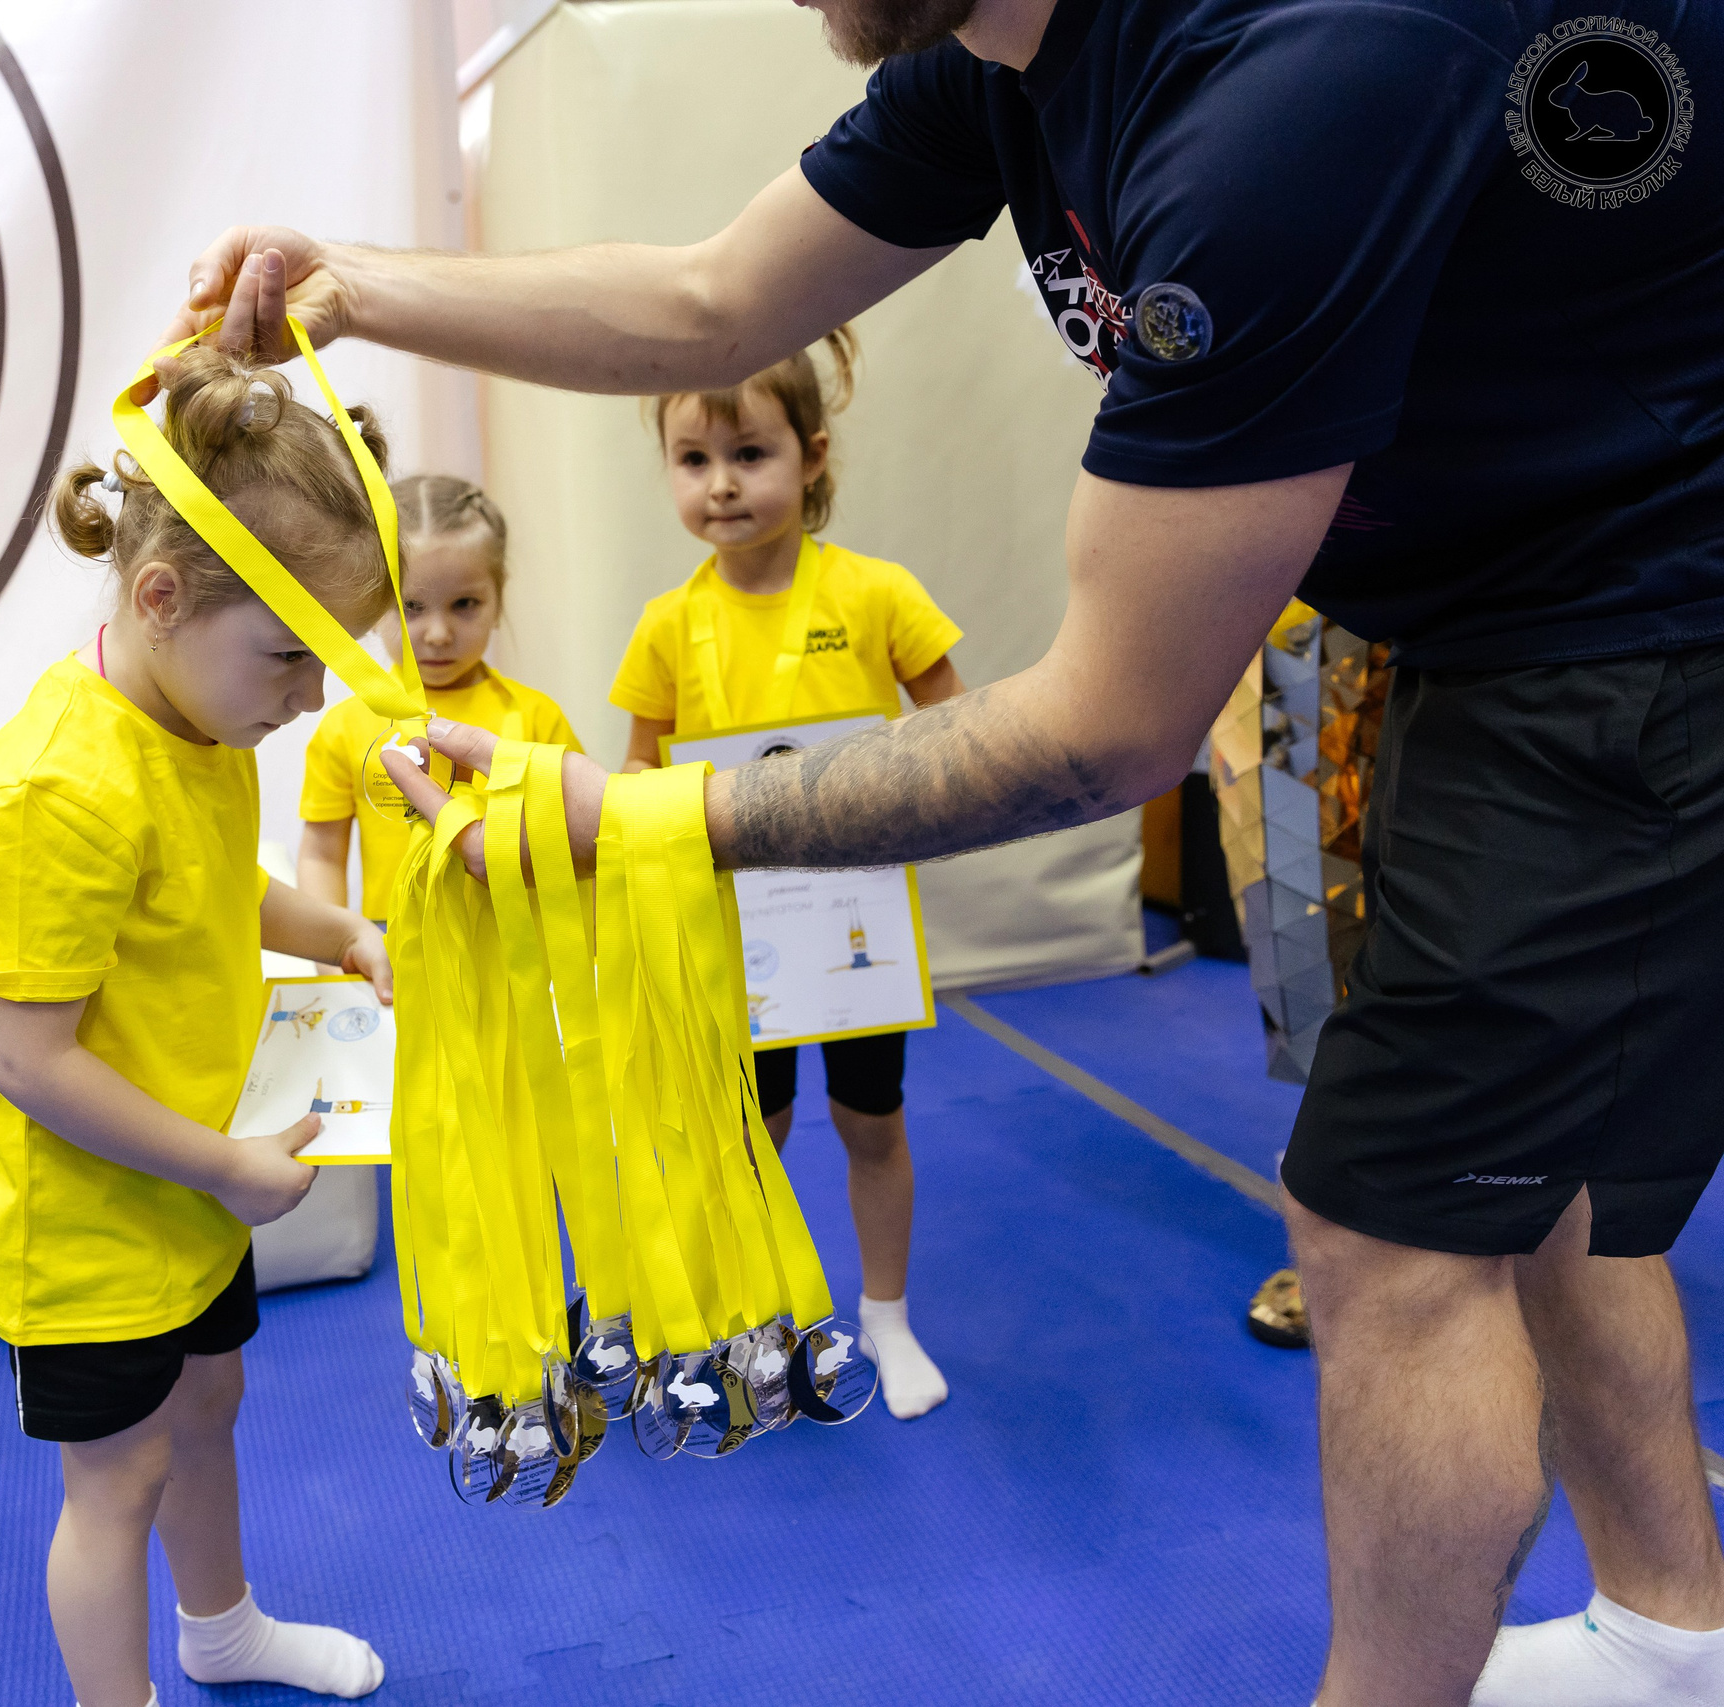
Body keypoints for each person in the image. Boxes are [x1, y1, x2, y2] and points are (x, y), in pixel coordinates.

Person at [160, 0, 1724, 1700]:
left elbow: (1104, 722)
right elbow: (715, 299)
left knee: (1392, 1237)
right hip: (1495, 618)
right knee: (1535, 1176)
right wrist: (360, 286)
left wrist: (653, 814)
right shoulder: (991, 53)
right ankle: (1668, 1630)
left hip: (1641, 630)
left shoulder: (1290, 89)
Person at [0, 347, 394, 1707]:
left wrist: (342, 930)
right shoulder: (54, 790)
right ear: (157, 594)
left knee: (209, 1408)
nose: (310, 698)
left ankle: (222, 1626)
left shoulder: (198, 720)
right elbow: (29, 1059)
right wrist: (220, 1161)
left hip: (188, 1177)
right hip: (87, 1223)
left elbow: (206, 886)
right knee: (117, 1473)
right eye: (288, 656)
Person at [613, 330, 964, 1419]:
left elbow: (961, 734)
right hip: (737, 937)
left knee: (871, 1125)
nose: (721, 485)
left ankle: (887, 1317)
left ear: (811, 457)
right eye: (692, 460)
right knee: (749, 1138)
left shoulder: (875, 595)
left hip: (855, 928)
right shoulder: (668, 627)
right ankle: (763, 1324)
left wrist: (900, 798)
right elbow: (636, 774)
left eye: (750, 454)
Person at [297, 473, 578, 928]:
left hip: (517, 953)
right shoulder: (344, 728)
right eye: (411, 607)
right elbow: (323, 855)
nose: (438, 634)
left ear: (498, 597)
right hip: (389, 960)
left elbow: (575, 849)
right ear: (371, 602)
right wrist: (334, 955)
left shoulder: (538, 719)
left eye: (464, 604)